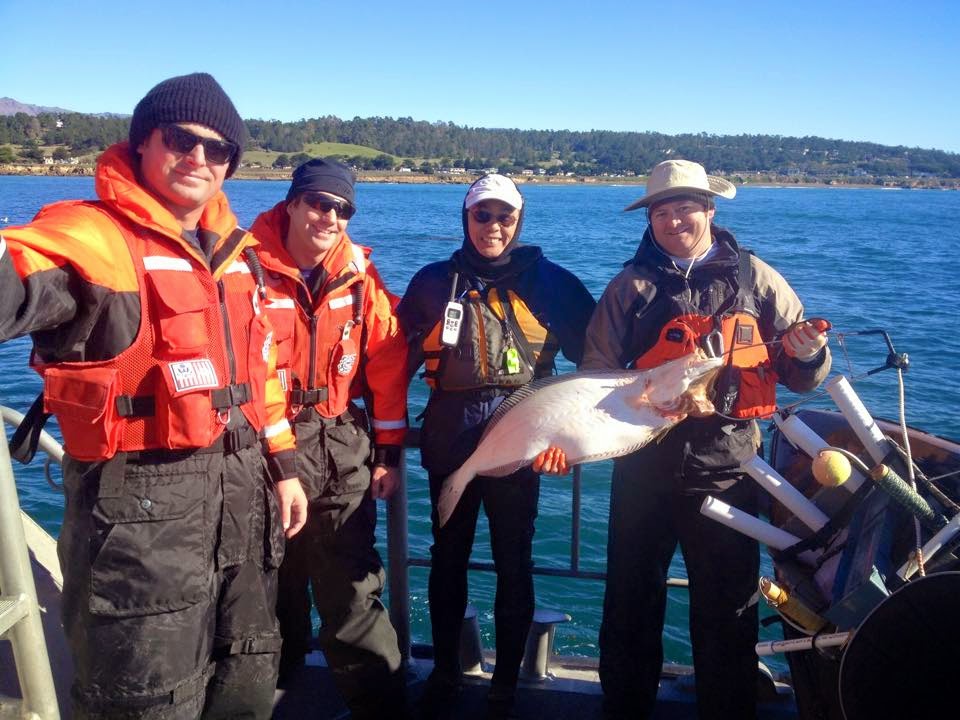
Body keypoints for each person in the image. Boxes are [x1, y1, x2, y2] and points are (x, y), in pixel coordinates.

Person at [0, 72, 307, 719]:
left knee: (246, 682)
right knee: (145, 702)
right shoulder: (91, 239)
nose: (198, 157)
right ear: (143, 141)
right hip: (139, 538)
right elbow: (17, 275)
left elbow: (264, 374)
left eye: (217, 148)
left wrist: (284, 468)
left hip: (245, 517)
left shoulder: (241, 256)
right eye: (180, 138)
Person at [577, 159, 832, 719]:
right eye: (661, 212)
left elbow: (801, 375)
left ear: (710, 210)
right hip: (641, 469)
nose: (673, 221)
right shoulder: (629, 287)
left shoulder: (757, 279)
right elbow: (594, 375)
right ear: (649, 220)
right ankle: (624, 708)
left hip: (730, 469)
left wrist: (809, 352)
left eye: (685, 208)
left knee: (728, 607)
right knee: (629, 601)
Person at [397, 174, 596, 719]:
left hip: (522, 441)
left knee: (515, 562)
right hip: (450, 439)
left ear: (519, 220)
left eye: (504, 216)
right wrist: (379, 437)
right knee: (447, 559)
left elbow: (598, 366)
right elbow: (391, 363)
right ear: (465, 219)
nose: (493, 226)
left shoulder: (554, 284)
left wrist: (569, 439)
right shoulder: (433, 282)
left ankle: (505, 685)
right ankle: (444, 673)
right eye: (481, 215)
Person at [250, 158, 409, 718]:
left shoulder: (361, 277)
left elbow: (388, 362)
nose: (330, 217)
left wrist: (388, 454)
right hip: (262, 450)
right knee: (268, 581)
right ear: (292, 203)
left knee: (351, 588)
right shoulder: (243, 266)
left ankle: (381, 707)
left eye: (343, 209)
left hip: (341, 445)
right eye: (319, 203)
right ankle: (272, 691)